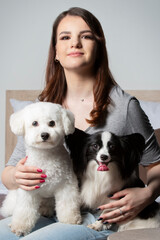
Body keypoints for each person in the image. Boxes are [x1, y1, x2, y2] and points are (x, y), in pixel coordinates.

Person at [0, 7, 160, 240]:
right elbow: (9, 171)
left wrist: (147, 194)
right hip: (48, 209)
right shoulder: (43, 108)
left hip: (98, 217)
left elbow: (155, 165)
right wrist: (16, 176)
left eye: (85, 36)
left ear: (99, 47)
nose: (75, 43)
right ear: (56, 51)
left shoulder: (124, 106)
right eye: (65, 37)